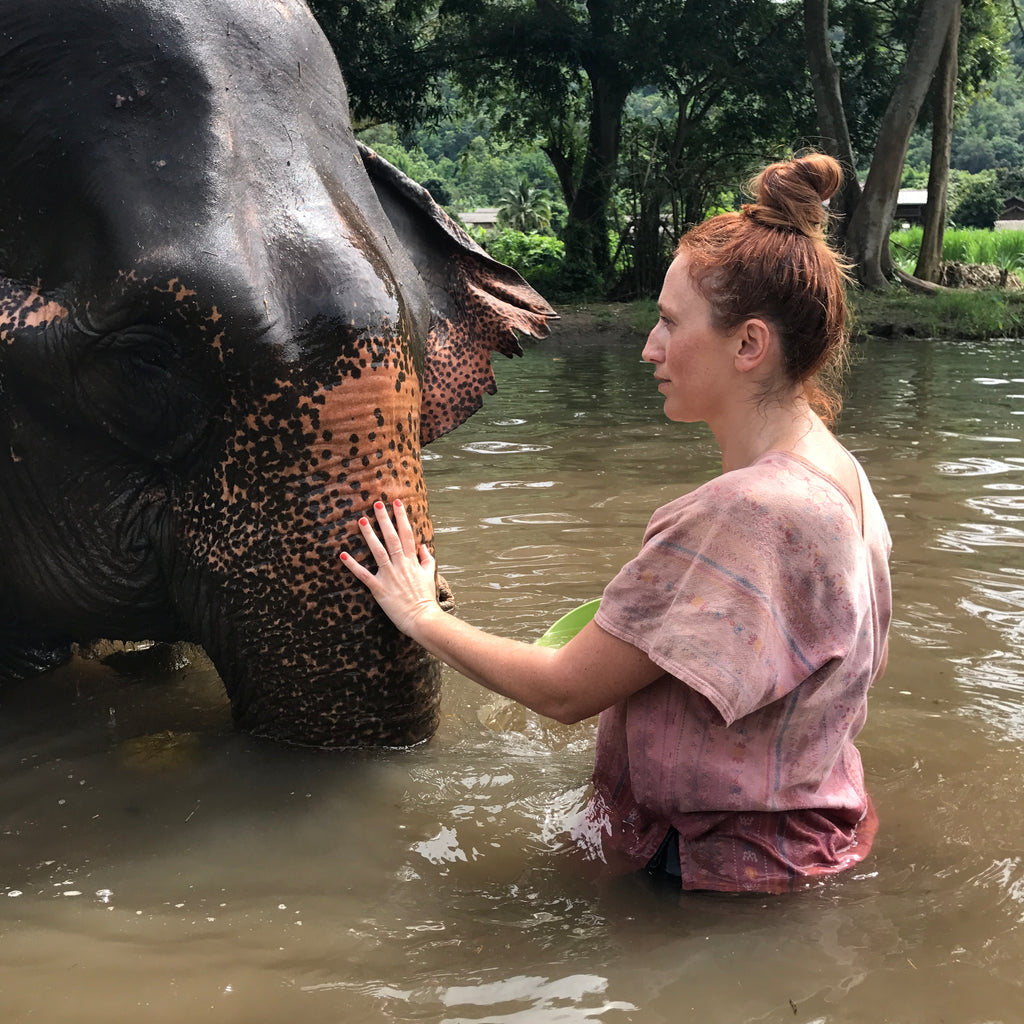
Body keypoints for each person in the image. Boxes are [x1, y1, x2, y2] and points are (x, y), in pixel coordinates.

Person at [340, 152, 892, 894]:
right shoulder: (844, 477)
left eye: (668, 324)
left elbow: (564, 692)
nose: (649, 348)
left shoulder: (743, 513)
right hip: (810, 843)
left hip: (714, 878)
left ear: (749, 345)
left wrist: (418, 615)